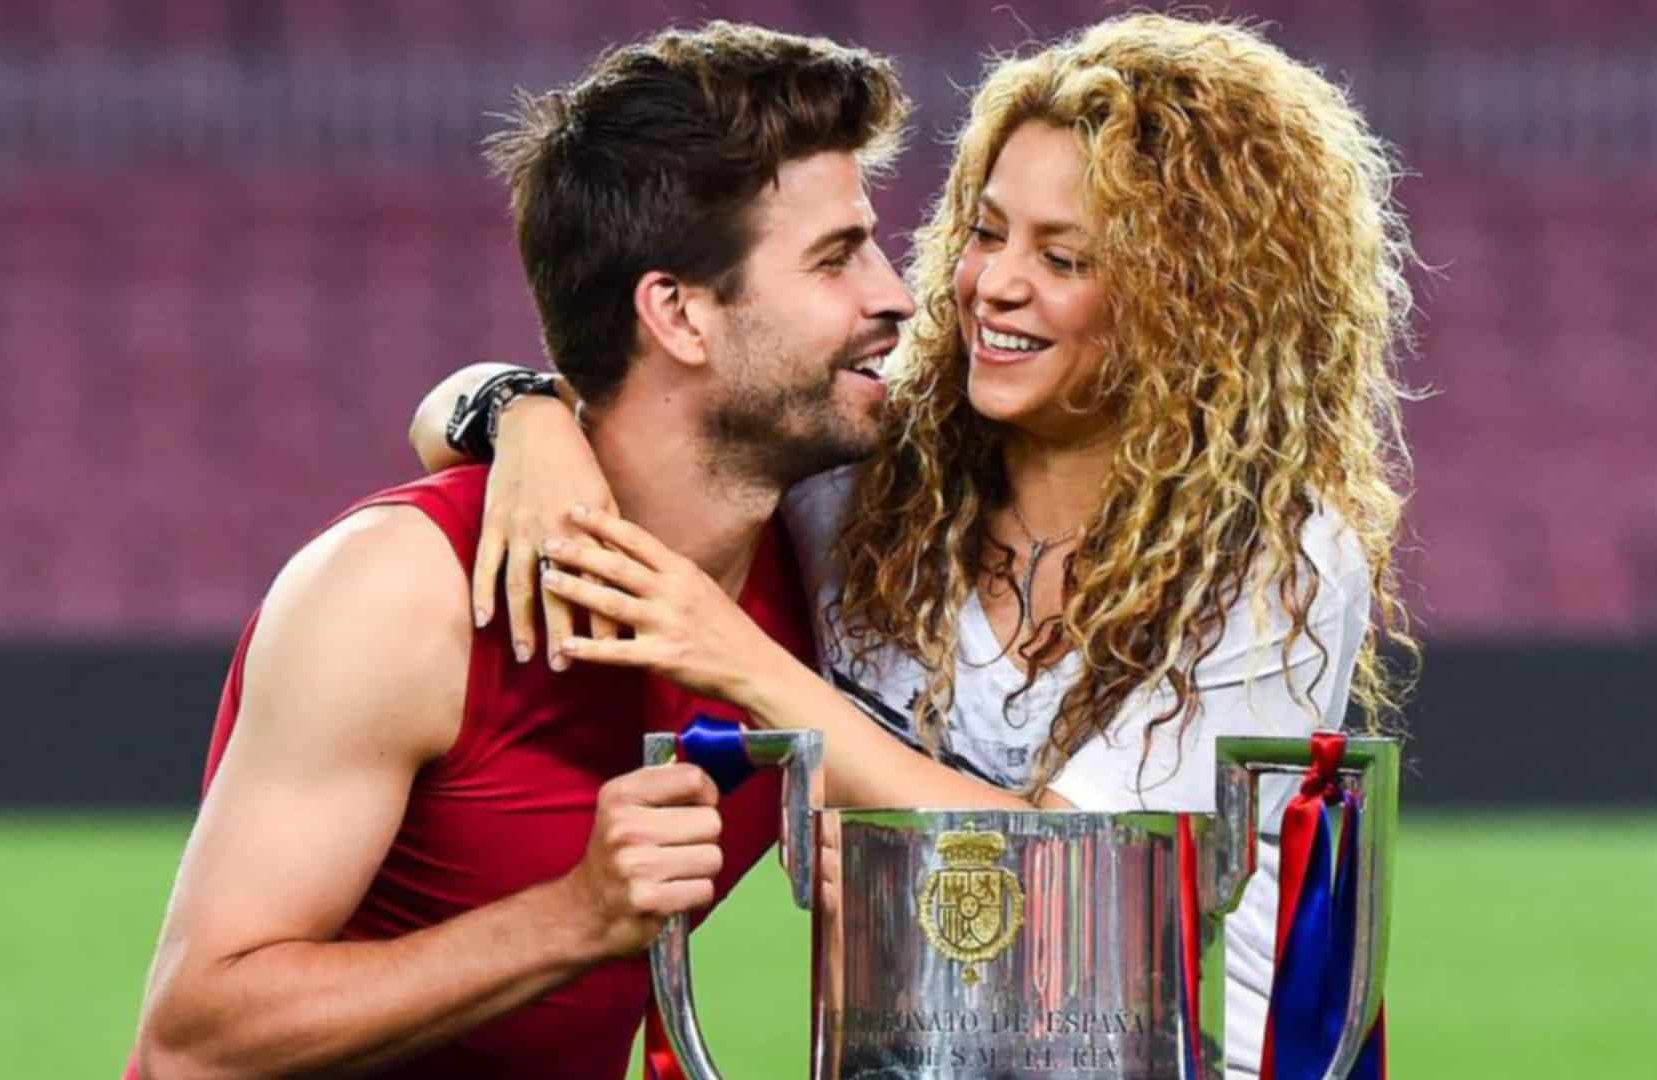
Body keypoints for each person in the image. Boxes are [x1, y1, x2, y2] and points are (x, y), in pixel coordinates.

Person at [416, 14, 1418, 1075]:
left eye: (1062, 256)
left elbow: (1082, 905)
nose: (993, 284)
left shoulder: (1272, 554)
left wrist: (740, 664)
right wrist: (523, 415)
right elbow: (595, 412)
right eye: (987, 231)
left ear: (1193, 306)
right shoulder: (871, 471)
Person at [124, 23, 913, 1079]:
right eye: (834, 257)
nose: (893, 294)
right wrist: (575, 916)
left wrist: (512, 402)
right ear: (677, 313)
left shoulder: (824, 566)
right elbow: (191, 1039)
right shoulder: (402, 591)